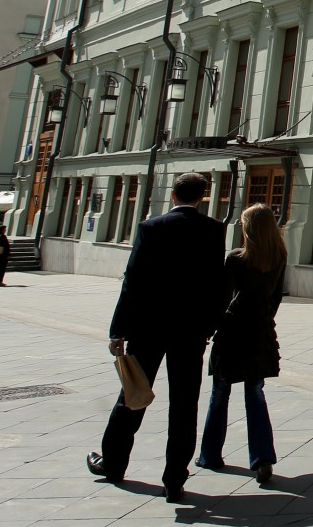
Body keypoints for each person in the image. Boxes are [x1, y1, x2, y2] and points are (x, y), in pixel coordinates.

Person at [86, 172, 227, 503]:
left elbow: (132, 280)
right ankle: (175, 479)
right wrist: (208, 327)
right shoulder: (213, 230)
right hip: (190, 334)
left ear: (174, 195)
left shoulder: (151, 227)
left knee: (133, 395)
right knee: (184, 405)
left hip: (147, 329)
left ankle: (114, 463)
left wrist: (118, 330)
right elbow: (217, 286)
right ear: (202, 197)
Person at [197, 203, 286, 485]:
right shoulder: (279, 255)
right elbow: (276, 297)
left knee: (220, 393)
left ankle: (210, 454)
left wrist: (208, 329)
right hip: (260, 331)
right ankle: (262, 458)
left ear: (248, 228)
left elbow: (222, 298)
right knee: (256, 394)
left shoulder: (237, 257)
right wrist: (264, 318)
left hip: (233, 330)